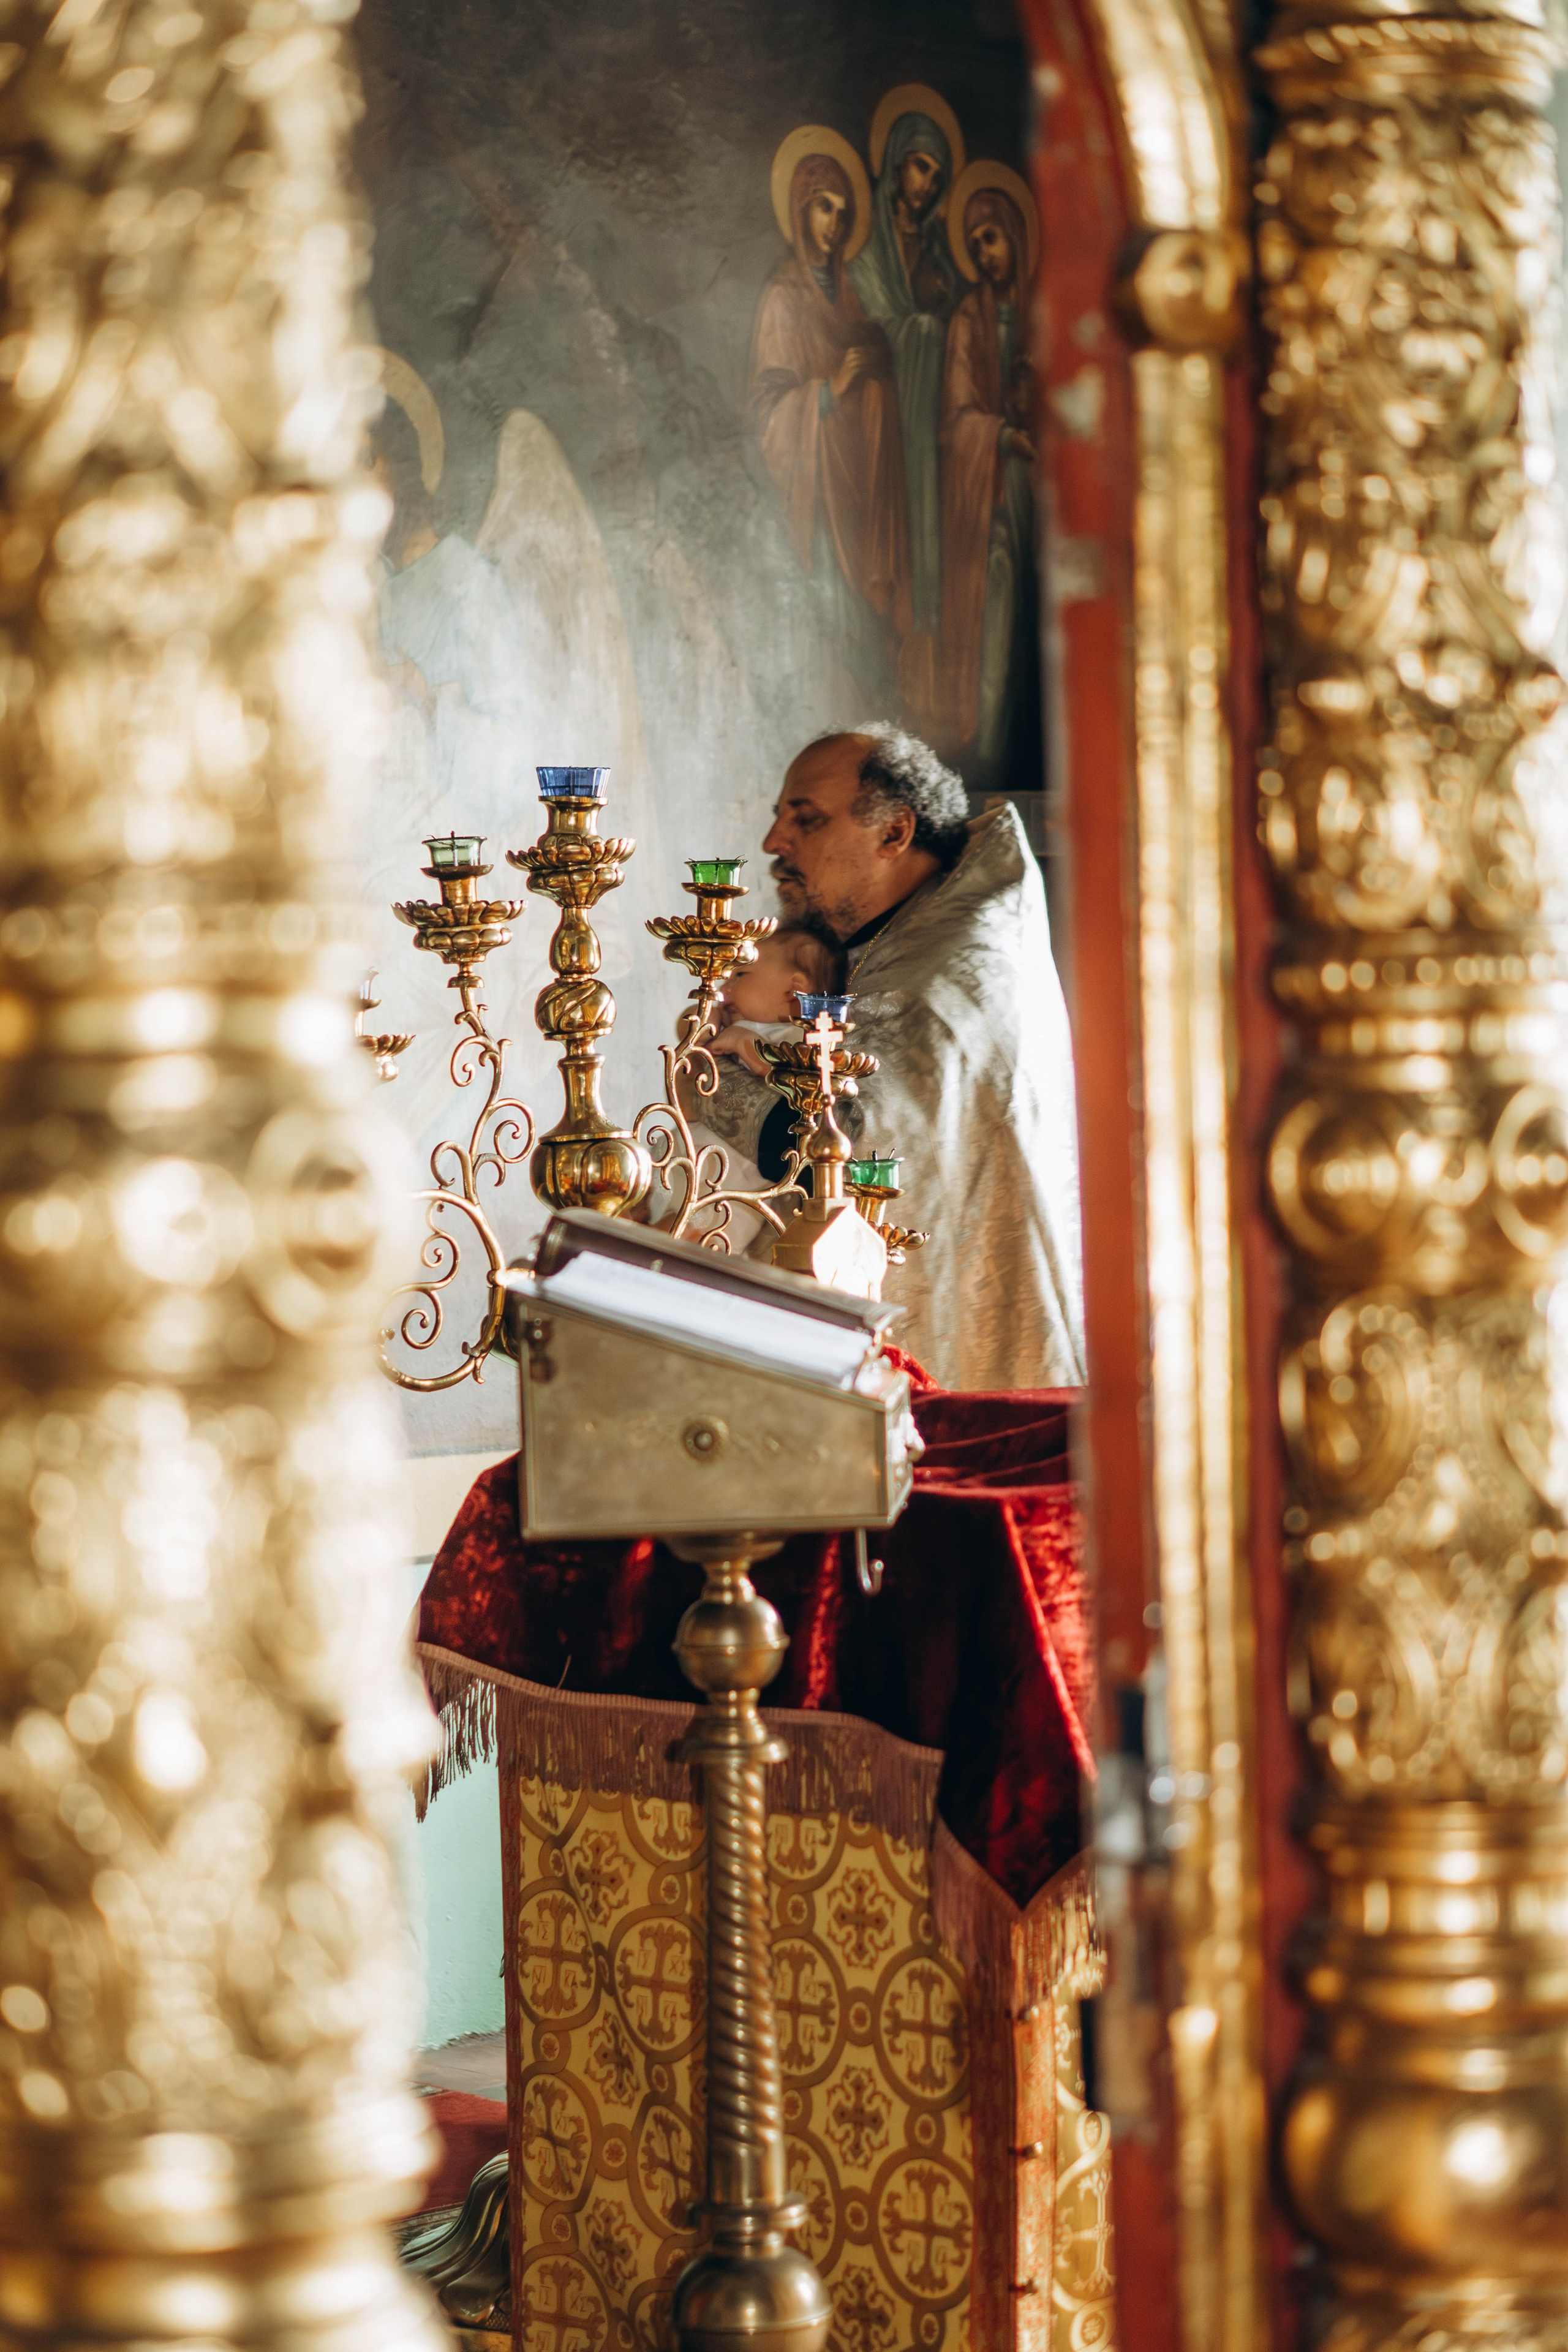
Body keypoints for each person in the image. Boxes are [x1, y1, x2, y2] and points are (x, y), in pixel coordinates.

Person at [697, 726, 1084, 1389]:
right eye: (777, 819)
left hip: (962, 1395)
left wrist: (704, 1078)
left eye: (806, 820)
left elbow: (839, 1148)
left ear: (894, 834)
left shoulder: (946, 978)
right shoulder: (906, 943)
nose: (773, 844)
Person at [749, 149, 910, 687]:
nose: (834, 224)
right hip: (816, 494)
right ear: (800, 211)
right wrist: (830, 391)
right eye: (823, 208)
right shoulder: (781, 295)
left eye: (843, 213)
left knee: (861, 626)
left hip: (859, 488)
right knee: (830, 620)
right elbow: (768, 410)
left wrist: (873, 385)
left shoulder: (850, 301)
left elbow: (876, 380)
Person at [848, 104, 962, 722]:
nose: (925, 183)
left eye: (936, 175)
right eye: (919, 167)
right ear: (894, 165)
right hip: (888, 440)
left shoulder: (939, 261)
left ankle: (929, 688)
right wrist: (918, 331)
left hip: (933, 442)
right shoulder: (867, 258)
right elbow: (875, 325)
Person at [648, 924, 845, 1245]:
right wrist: (702, 1020)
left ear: (794, 992)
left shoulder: (799, 1040)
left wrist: (747, 1046)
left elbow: (792, 1089)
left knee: (677, 1246)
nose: (725, 990)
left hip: (726, 1193)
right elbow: (688, 1058)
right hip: (687, 1168)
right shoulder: (737, 1025)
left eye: (740, 976)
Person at [939, 181, 1037, 764]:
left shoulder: (1049, 311)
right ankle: (996, 752)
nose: (984, 254)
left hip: (1051, 494)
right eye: (974, 245)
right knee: (998, 610)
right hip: (996, 490)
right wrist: (1004, 436)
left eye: (992, 239)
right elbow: (956, 416)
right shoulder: (967, 321)